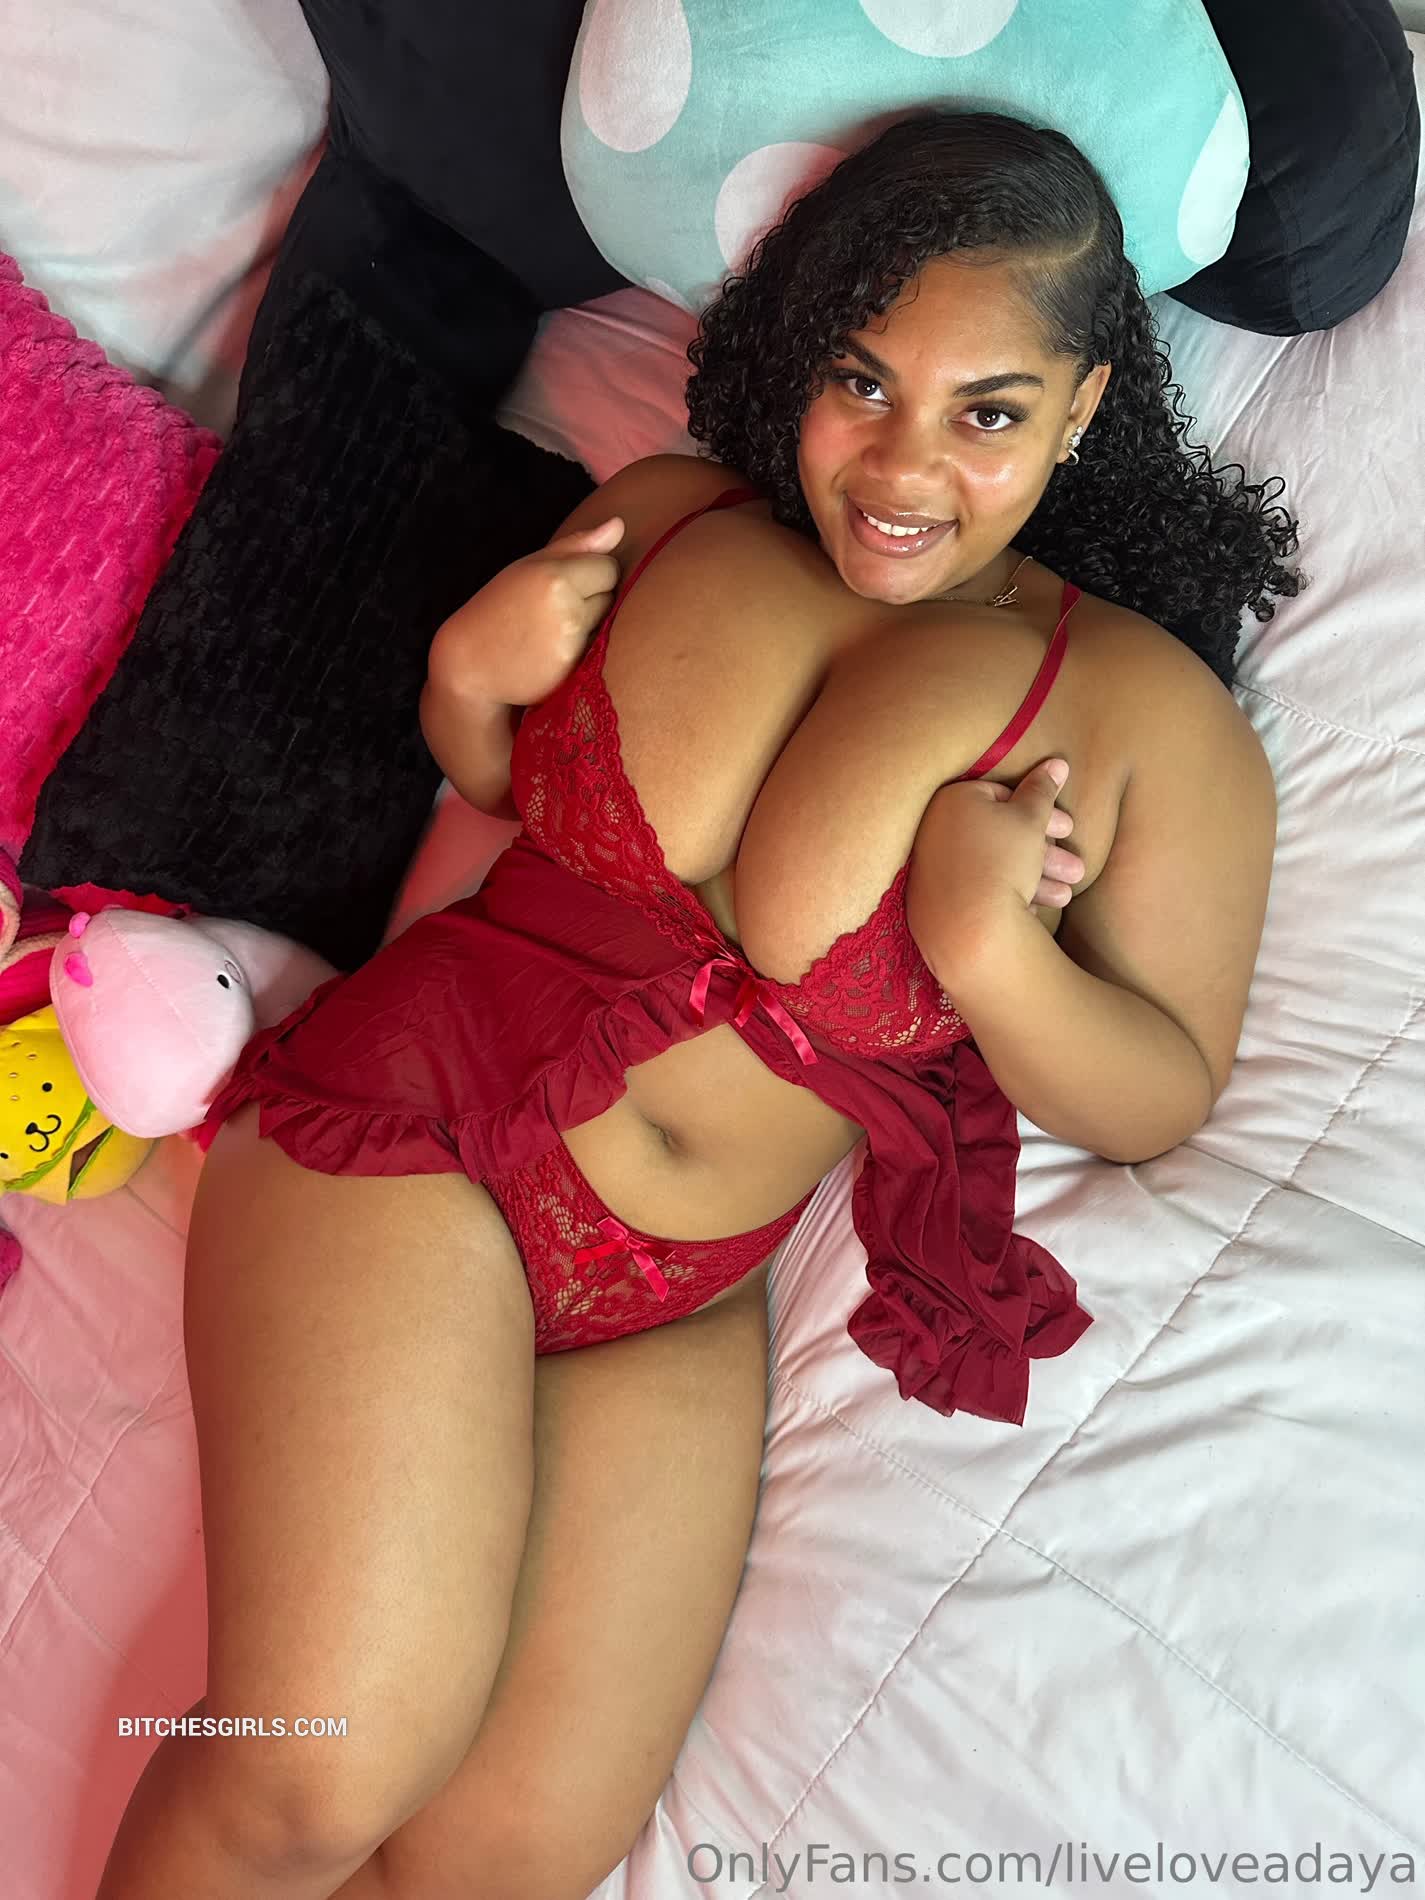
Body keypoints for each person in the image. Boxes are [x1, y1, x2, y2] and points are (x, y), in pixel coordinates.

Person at [95, 112, 1298, 1900]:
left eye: (986, 413)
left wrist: (991, 955)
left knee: (501, 1866)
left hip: (672, 1296)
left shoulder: (1146, 722)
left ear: (1083, 408)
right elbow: (497, 785)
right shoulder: (670, 515)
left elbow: (1159, 1095)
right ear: (797, 356)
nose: (902, 466)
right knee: (310, 1767)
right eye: (859, 381)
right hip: (412, 1137)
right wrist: (463, 678)